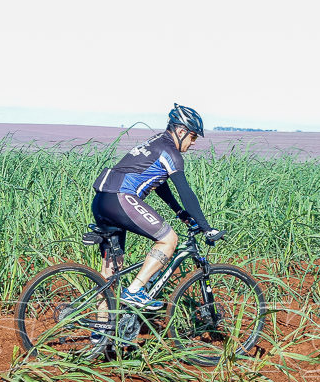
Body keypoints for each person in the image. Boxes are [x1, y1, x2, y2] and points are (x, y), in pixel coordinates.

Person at [91, 103, 223, 311]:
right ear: (181, 131)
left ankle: (101, 335)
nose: (193, 142)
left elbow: (160, 185)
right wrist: (207, 227)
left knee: (110, 275)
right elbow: (185, 191)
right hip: (120, 197)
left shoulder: (155, 143)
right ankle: (135, 291)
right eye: (193, 137)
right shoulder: (171, 152)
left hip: (101, 201)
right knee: (168, 239)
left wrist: (181, 214)